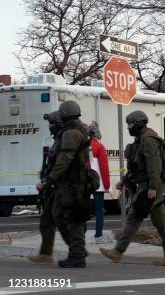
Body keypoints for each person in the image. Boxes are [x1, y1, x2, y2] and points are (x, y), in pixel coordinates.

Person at [100, 110, 165, 266]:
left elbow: (154, 167)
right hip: (147, 183)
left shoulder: (148, 141)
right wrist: (124, 180)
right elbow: (136, 166)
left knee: (135, 216)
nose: (129, 127)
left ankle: (117, 252)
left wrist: (153, 187)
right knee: (160, 222)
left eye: (131, 124)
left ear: (140, 123)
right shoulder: (140, 140)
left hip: (151, 184)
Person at [44, 101, 91, 268]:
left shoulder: (71, 133)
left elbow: (65, 159)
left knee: (72, 219)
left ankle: (77, 255)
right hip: (69, 182)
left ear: (64, 114)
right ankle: (77, 249)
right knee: (59, 215)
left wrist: (51, 179)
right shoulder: (74, 131)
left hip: (73, 183)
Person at [29, 111, 63, 264]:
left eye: (52, 123)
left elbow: (62, 165)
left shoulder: (64, 139)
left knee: (64, 222)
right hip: (53, 187)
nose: (50, 126)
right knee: (47, 221)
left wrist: (48, 182)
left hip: (62, 187)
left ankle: (78, 251)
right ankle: (45, 253)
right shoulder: (56, 140)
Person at [88, 121, 110, 243]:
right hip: (97, 183)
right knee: (99, 209)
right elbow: (104, 167)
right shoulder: (99, 147)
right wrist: (106, 185)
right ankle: (98, 235)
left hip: (83, 182)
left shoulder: (82, 146)